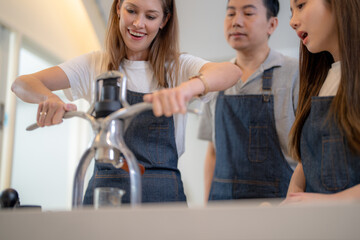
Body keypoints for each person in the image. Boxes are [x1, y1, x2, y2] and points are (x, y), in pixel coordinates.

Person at [11, 0, 242, 204]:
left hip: (163, 199)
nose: (138, 24)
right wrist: (48, 97)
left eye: (150, 16)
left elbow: (231, 71)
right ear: (119, 7)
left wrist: (185, 90)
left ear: (164, 20)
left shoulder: (178, 67)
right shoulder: (95, 65)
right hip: (104, 195)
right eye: (132, 10)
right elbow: (22, 83)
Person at [198, 0, 299, 202]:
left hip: (278, 206)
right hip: (223, 208)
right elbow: (212, 154)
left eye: (248, 13)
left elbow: (307, 154)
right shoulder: (213, 77)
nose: (236, 22)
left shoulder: (296, 72)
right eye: (230, 13)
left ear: (272, 24)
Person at [282, 0, 360, 204]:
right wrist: (294, 195)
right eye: (291, 11)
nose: (292, 22)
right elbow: (311, 157)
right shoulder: (320, 79)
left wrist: (328, 203)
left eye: (300, 5)